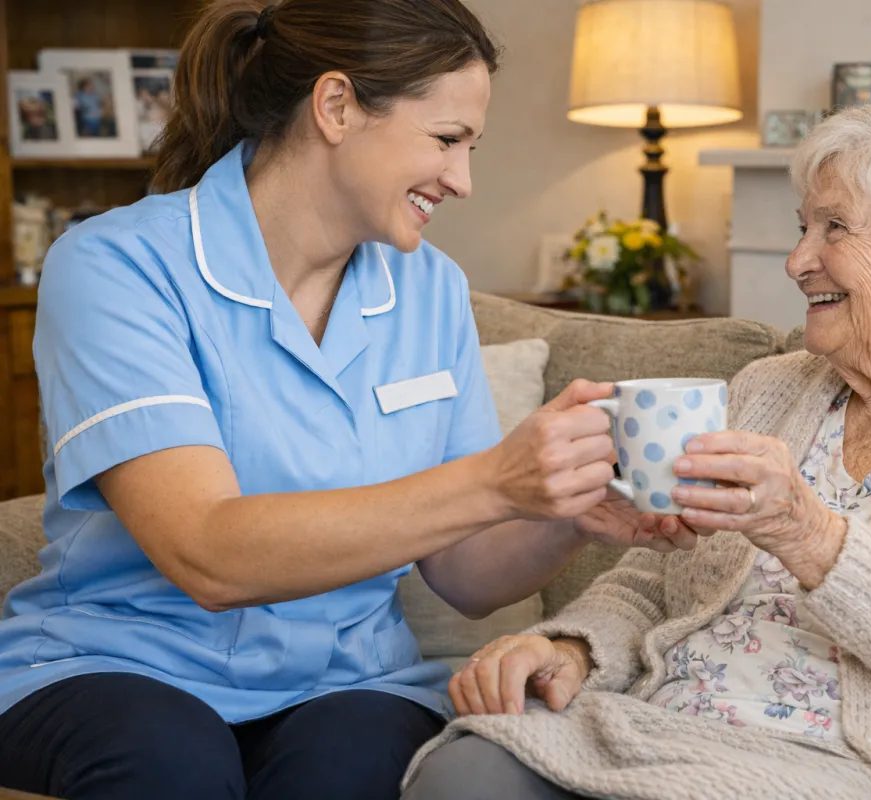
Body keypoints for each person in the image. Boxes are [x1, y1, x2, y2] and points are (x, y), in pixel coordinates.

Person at [0, 1, 690, 798]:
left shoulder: (430, 289)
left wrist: (570, 515)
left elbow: (464, 574)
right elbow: (205, 554)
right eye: (446, 140)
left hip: (345, 678)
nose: (463, 181)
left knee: (356, 764)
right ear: (336, 108)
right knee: (168, 760)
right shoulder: (118, 267)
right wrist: (496, 480)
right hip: (119, 665)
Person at [401, 93, 871, 800]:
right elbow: (654, 582)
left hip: (836, 766)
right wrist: (572, 650)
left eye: (836, 229)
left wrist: (811, 532)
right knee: (465, 772)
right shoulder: (772, 388)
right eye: (801, 228)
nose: (797, 262)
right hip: (655, 728)